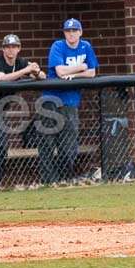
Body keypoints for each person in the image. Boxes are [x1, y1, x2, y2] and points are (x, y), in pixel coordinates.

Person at [40, 18, 98, 185]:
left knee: (69, 143)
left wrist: (75, 74)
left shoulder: (85, 46)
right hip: (50, 100)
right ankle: (49, 181)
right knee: (48, 141)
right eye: (68, 31)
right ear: (64, 33)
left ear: (80, 32)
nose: (71, 34)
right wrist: (81, 67)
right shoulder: (58, 46)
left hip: (71, 100)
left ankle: (65, 179)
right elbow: (59, 71)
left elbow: (92, 72)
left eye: (74, 31)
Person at [0, 34, 45, 187]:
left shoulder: (21, 62)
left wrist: (35, 71)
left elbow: (43, 76)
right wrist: (25, 70)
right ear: (3, 49)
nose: (10, 50)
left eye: (14, 47)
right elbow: (2, 78)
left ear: (19, 49)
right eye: (7, 47)